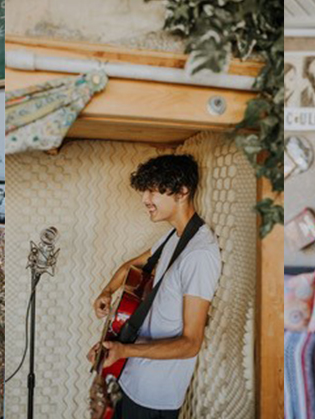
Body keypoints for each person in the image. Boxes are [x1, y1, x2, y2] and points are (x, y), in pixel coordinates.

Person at [88, 155, 221, 419]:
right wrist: (106, 291)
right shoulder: (174, 236)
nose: (144, 200)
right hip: (128, 375)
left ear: (182, 191)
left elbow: (190, 344)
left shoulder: (200, 254)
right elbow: (131, 267)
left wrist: (124, 350)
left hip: (153, 397)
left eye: (152, 190)